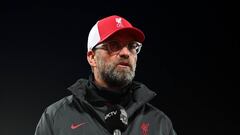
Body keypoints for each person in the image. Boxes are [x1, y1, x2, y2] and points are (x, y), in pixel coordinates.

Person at [34, 15, 177, 135]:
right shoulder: (56, 117)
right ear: (92, 57)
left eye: (132, 46)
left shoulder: (159, 123)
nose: (126, 53)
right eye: (113, 45)